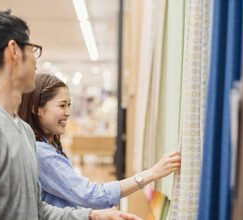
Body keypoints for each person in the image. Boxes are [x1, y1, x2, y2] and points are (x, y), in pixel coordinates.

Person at [0, 10, 140, 220]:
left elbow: (35, 209)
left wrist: (91, 216)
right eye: (32, 49)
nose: (36, 60)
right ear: (13, 51)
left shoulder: (23, 130)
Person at [18, 74, 181, 209]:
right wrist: (151, 174)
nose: (68, 112)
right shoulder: (41, 153)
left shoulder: (47, 146)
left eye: (69, 105)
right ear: (36, 109)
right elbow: (91, 195)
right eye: (61, 105)